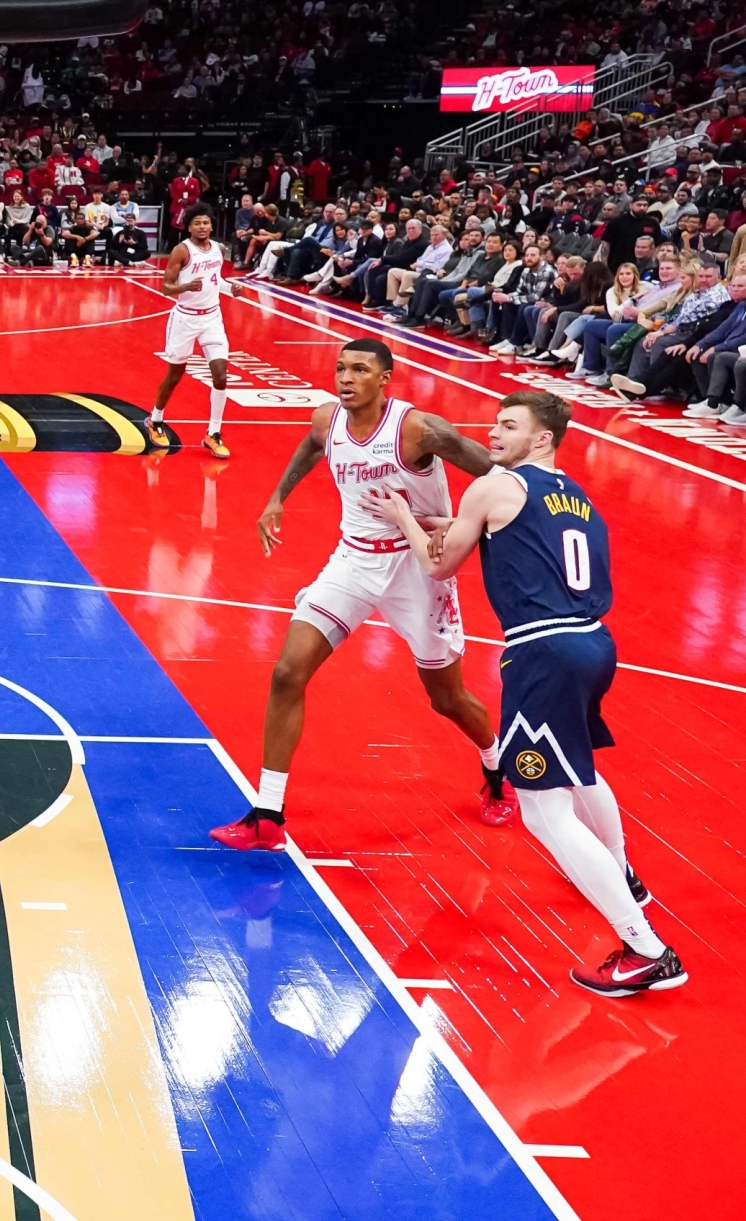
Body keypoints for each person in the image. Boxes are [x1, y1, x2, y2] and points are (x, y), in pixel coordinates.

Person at [368, 391, 685, 997]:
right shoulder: (578, 496)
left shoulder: (492, 485)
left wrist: (405, 518)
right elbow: (509, 538)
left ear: (542, 438)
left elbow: (439, 565)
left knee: (542, 808)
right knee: (581, 771)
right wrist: (450, 524)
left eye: (508, 426)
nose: (492, 433)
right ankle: (624, 874)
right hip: (594, 643)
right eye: (494, 422)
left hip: (544, 652)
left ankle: (647, 949)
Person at [213, 338, 513, 851]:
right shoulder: (327, 420)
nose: (345, 377)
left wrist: (464, 528)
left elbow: (499, 476)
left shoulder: (418, 429)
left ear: (384, 378)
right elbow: (311, 446)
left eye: (359, 369)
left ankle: (495, 770)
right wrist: (277, 498)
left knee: (447, 699)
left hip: (418, 566)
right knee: (288, 672)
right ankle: (267, 814)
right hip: (352, 559)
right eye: (340, 368)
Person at [149, 205, 232, 458]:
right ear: (189, 226)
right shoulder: (181, 250)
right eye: (197, 223)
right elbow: (165, 287)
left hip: (212, 318)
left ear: (211, 225)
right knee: (174, 376)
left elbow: (216, 282)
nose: (202, 227)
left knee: (220, 376)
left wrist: (231, 289)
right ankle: (155, 419)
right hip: (185, 319)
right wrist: (186, 285)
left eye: (206, 222)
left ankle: (213, 433)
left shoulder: (219, 249)